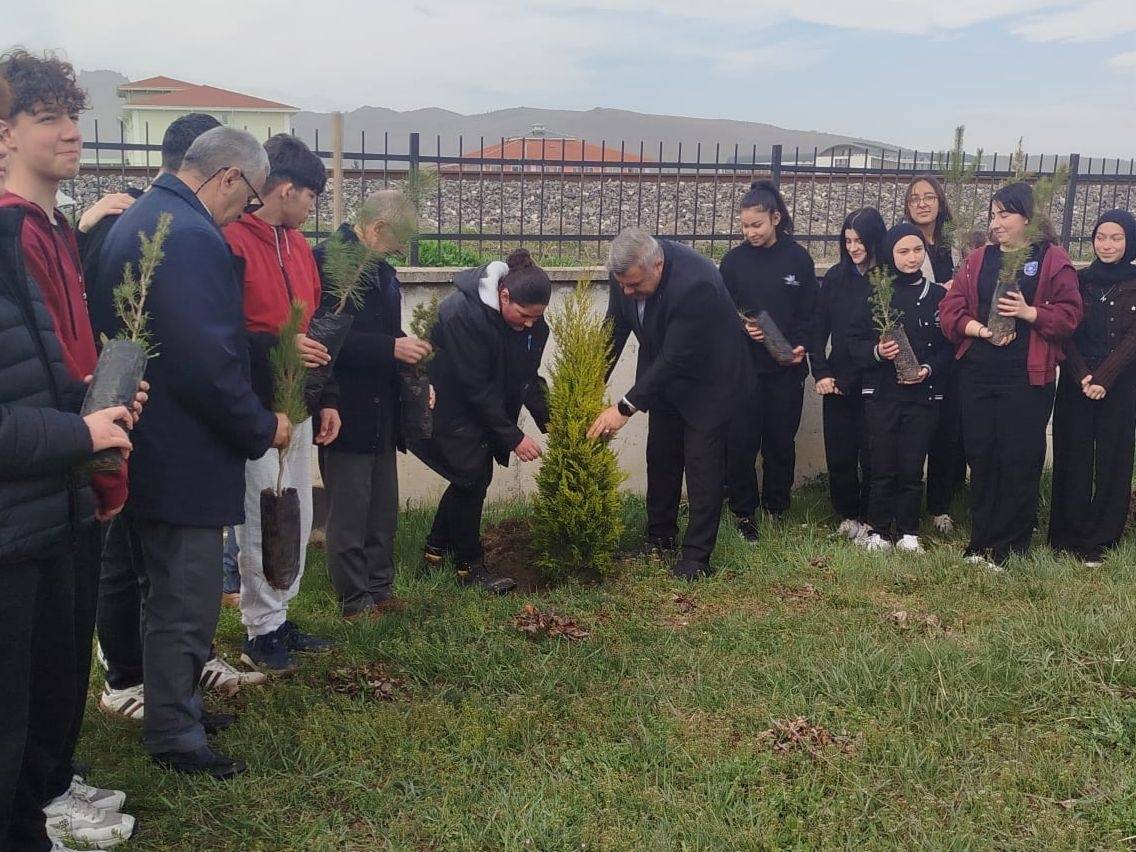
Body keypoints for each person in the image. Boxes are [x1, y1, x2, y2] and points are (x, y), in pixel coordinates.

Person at [98, 126, 288, 778]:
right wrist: (260, 426)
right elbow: (209, 363)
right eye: (253, 198)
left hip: (147, 447)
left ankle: (176, 707)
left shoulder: (143, 219)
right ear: (230, 176)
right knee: (186, 598)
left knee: (164, 596)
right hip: (184, 452)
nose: (248, 211)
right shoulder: (194, 238)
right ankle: (177, 739)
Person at [0, 48, 138, 849]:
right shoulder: (13, 235)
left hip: (61, 489)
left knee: (54, 673)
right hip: (29, 489)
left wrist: (106, 405)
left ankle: (46, 790)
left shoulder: (55, 227)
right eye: (46, 116)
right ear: (6, 135)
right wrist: (77, 428)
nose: (69, 132)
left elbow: (50, 362)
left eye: (72, 115)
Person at [224, 134, 338, 673]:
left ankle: (281, 613)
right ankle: (259, 626)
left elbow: (311, 330)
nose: (313, 207)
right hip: (256, 404)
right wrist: (278, 345)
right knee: (258, 514)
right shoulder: (233, 240)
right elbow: (224, 332)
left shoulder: (296, 246)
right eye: (311, 196)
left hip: (299, 403)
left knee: (296, 508)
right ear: (287, 189)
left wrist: (327, 399)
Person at [590, 227, 747, 580]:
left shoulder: (697, 284)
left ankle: (696, 557)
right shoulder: (625, 273)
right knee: (661, 457)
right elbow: (614, 330)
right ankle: (659, 537)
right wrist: (590, 381)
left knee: (701, 464)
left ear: (657, 265)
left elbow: (677, 357)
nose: (627, 292)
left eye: (634, 285)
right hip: (662, 380)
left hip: (709, 382)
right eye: (622, 286)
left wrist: (624, 407)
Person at [939, 182, 1081, 569]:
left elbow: (1070, 316)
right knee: (982, 456)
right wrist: (981, 331)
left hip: (1026, 377)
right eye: (993, 214)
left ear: (1028, 218)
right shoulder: (977, 260)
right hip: (979, 374)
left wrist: (1029, 311)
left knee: (1018, 458)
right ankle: (981, 540)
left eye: (1004, 215)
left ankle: (1011, 546)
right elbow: (949, 312)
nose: (995, 223)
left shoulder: (1052, 259)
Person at [315, 189, 431, 619]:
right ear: (377, 228)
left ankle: (381, 589)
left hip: (385, 407)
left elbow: (389, 332)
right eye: (399, 240)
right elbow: (324, 340)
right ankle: (354, 598)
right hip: (344, 407)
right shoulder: (330, 262)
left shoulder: (382, 269)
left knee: (382, 506)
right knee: (349, 511)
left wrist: (412, 366)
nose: (402, 249)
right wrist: (390, 349)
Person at [416, 249, 550, 593]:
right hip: (448, 404)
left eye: (537, 317)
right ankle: (469, 567)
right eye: (523, 315)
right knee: (472, 477)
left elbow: (526, 377)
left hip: (480, 406)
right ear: (504, 295)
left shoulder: (530, 324)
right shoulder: (463, 314)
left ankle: (434, 552)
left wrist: (555, 421)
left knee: (469, 478)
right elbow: (476, 387)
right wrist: (514, 437)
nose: (530, 324)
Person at [719, 180, 818, 541]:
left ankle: (776, 509)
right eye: (745, 226)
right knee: (741, 443)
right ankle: (744, 513)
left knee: (780, 442)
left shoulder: (799, 259)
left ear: (775, 218)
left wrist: (802, 346)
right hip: (744, 372)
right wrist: (743, 330)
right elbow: (719, 313)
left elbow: (812, 313)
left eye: (757, 225)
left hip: (786, 371)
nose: (751, 232)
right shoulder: (732, 262)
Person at [849, 223, 952, 553]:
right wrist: (878, 353)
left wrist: (928, 367)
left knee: (911, 465)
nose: (911, 258)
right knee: (882, 465)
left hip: (923, 394)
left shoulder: (937, 296)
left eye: (917, 250)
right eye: (903, 251)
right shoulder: (876, 293)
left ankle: (908, 531)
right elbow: (852, 342)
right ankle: (878, 530)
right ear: (890, 255)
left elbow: (949, 346)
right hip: (882, 393)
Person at [1049, 210, 1136, 566]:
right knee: (1073, 455)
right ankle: (1067, 535)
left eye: (1116, 238)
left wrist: (1105, 378)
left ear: (1129, 241)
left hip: (1121, 384)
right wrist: (1082, 374)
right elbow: (1064, 327)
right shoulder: (1079, 280)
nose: (1107, 245)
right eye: (1101, 237)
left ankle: (1101, 539)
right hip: (1076, 383)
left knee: (1113, 461)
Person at [809, 207, 885, 540]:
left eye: (860, 241)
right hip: (837, 382)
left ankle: (871, 517)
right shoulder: (835, 279)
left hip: (875, 379)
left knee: (872, 453)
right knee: (839, 453)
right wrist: (821, 373)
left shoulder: (886, 280)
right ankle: (847, 514)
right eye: (848, 240)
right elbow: (817, 332)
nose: (853, 247)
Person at [904, 175, 965, 533]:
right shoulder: (903, 242)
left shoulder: (957, 245)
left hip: (954, 345)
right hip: (917, 344)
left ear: (940, 202)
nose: (922, 203)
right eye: (915, 198)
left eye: (929, 197)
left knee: (948, 429)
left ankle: (941, 504)